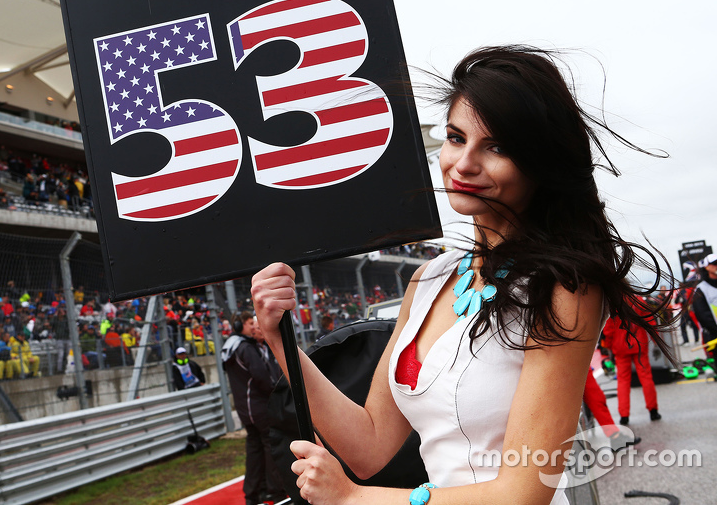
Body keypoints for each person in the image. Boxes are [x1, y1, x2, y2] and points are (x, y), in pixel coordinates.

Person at [251, 46, 673, 505]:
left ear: (540, 163)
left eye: (496, 147)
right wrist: (280, 339)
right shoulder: (429, 278)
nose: (464, 164)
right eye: (456, 137)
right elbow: (369, 446)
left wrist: (355, 499)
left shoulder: (565, 288)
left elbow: (524, 492)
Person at [222, 311, 287, 505]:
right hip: (258, 406)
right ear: (239, 326)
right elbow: (261, 376)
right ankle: (274, 491)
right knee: (270, 446)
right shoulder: (245, 348)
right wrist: (276, 393)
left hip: (246, 408)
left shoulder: (229, 347)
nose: (254, 327)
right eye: (251, 323)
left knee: (255, 450)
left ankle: (253, 493)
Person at [602, 309, 661, 424]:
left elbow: (608, 329)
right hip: (639, 343)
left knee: (623, 381)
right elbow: (650, 322)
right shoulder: (637, 300)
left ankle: (624, 416)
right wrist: (656, 342)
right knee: (646, 377)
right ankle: (653, 411)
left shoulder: (613, 302)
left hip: (620, 346)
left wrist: (609, 348)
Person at [693, 253, 717, 359]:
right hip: (714, 335)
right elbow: (703, 315)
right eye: (715, 264)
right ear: (707, 267)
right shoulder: (701, 289)